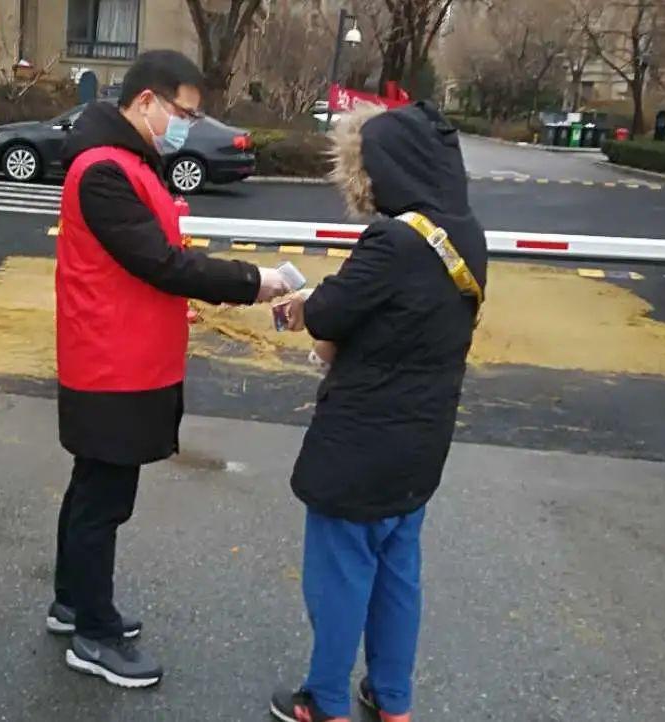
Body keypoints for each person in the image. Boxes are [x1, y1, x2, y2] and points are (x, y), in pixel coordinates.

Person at [49, 49, 291, 689]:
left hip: (122, 356)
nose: (186, 125)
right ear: (145, 102)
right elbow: (161, 262)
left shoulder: (128, 162)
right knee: (104, 500)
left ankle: (73, 602)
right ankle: (93, 635)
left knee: (92, 488)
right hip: (111, 363)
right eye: (183, 113)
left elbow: (158, 257)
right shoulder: (104, 171)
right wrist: (252, 281)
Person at [268, 101, 488, 722]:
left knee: (340, 576)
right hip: (423, 441)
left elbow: (331, 314)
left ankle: (325, 701)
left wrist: (306, 304)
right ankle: (392, 699)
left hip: (361, 444)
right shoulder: (466, 233)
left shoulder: (393, 239)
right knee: (398, 573)